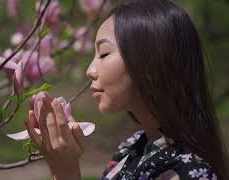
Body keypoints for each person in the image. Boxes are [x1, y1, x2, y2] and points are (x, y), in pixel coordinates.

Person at [24, 0, 228, 179]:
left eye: (104, 54)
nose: (90, 70)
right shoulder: (130, 148)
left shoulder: (187, 171)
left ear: (150, 62)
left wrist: (65, 172)